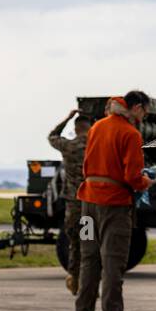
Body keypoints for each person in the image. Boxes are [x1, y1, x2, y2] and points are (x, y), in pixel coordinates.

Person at [74, 91, 152, 311]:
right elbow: (132, 176)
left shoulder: (97, 126)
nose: (144, 117)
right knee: (112, 262)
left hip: (87, 202)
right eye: (145, 112)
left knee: (88, 259)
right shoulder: (130, 133)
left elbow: (86, 164)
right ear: (137, 108)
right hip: (114, 205)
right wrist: (145, 182)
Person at [48, 108, 92, 294]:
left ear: (75, 129)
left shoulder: (68, 146)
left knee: (75, 244)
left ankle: (75, 282)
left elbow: (52, 136)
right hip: (90, 205)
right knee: (90, 244)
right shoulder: (95, 146)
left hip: (73, 206)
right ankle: (90, 284)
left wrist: (68, 117)